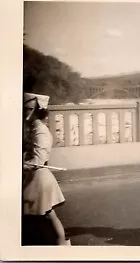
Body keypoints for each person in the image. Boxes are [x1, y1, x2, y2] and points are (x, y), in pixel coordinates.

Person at [22, 92, 69, 245]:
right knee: (45, 215)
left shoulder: (40, 130)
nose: (25, 112)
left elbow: (39, 158)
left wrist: (21, 165)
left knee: (46, 214)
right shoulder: (32, 128)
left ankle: (61, 245)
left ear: (36, 110)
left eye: (28, 109)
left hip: (38, 177)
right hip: (32, 176)